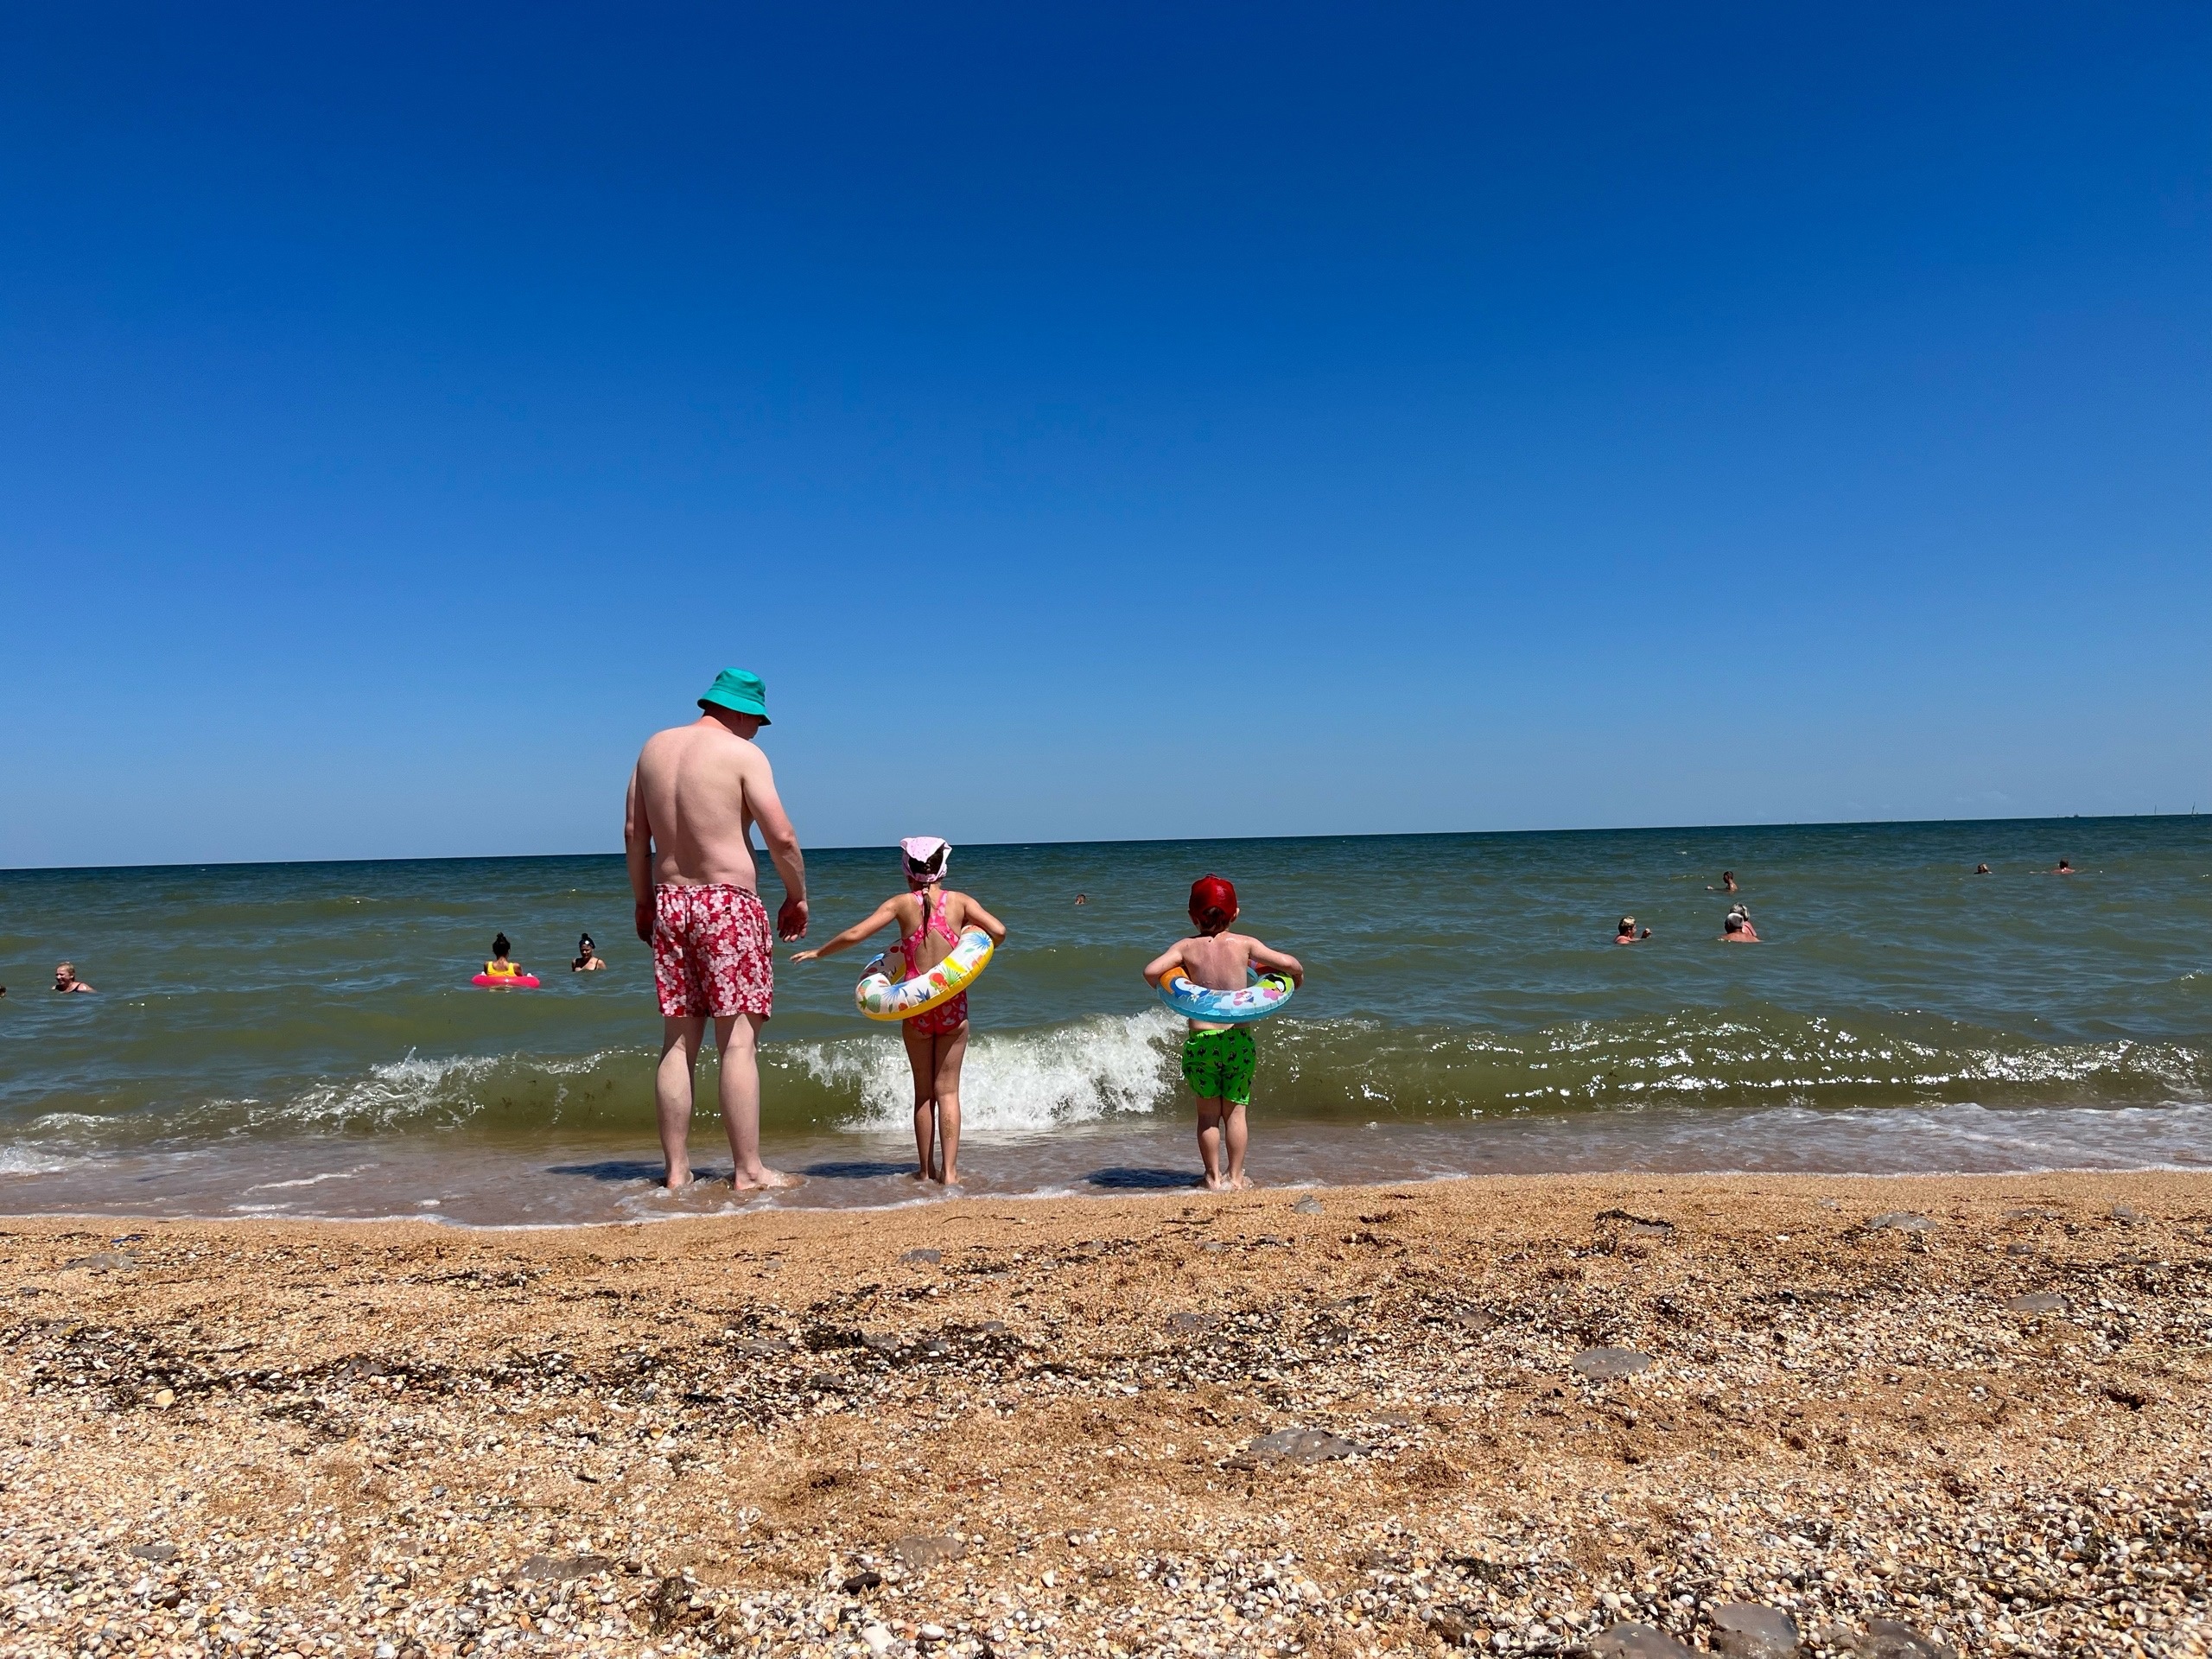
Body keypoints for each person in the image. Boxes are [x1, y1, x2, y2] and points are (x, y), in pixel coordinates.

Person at [626, 667, 807, 1192]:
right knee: (738, 1042)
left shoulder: (653, 749)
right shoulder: (743, 755)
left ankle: (677, 1172)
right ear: (742, 711)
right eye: (757, 721)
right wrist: (796, 897)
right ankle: (748, 1171)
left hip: (669, 901)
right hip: (728, 903)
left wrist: (643, 902)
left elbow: (635, 834)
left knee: (678, 1042)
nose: (757, 731)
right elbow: (783, 836)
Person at [793, 837, 1007, 1185]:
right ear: (942, 868)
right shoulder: (961, 902)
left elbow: (857, 933)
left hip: (917, 1012)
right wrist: (971, 931)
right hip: (953, 1010)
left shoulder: (900, 904)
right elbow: (998, 931)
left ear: (907, 871)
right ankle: (950, 1174)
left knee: (924, 1092)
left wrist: (819, 952)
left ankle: (925, 1172)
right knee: (948, 1092)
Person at [1141, 875, 1304, 1192]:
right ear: (1235, 914)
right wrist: (1295, 978)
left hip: (1202, 1043)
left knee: (1207, 1116)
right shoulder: (1245, 944)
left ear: (1192, 916)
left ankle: (1213, 1178)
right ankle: (1238, 1177)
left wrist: (1168, 988)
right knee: (1236, 1112)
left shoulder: (1185, 947)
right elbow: (1289, 963)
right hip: (1238, 1041)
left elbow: (1151, 971)